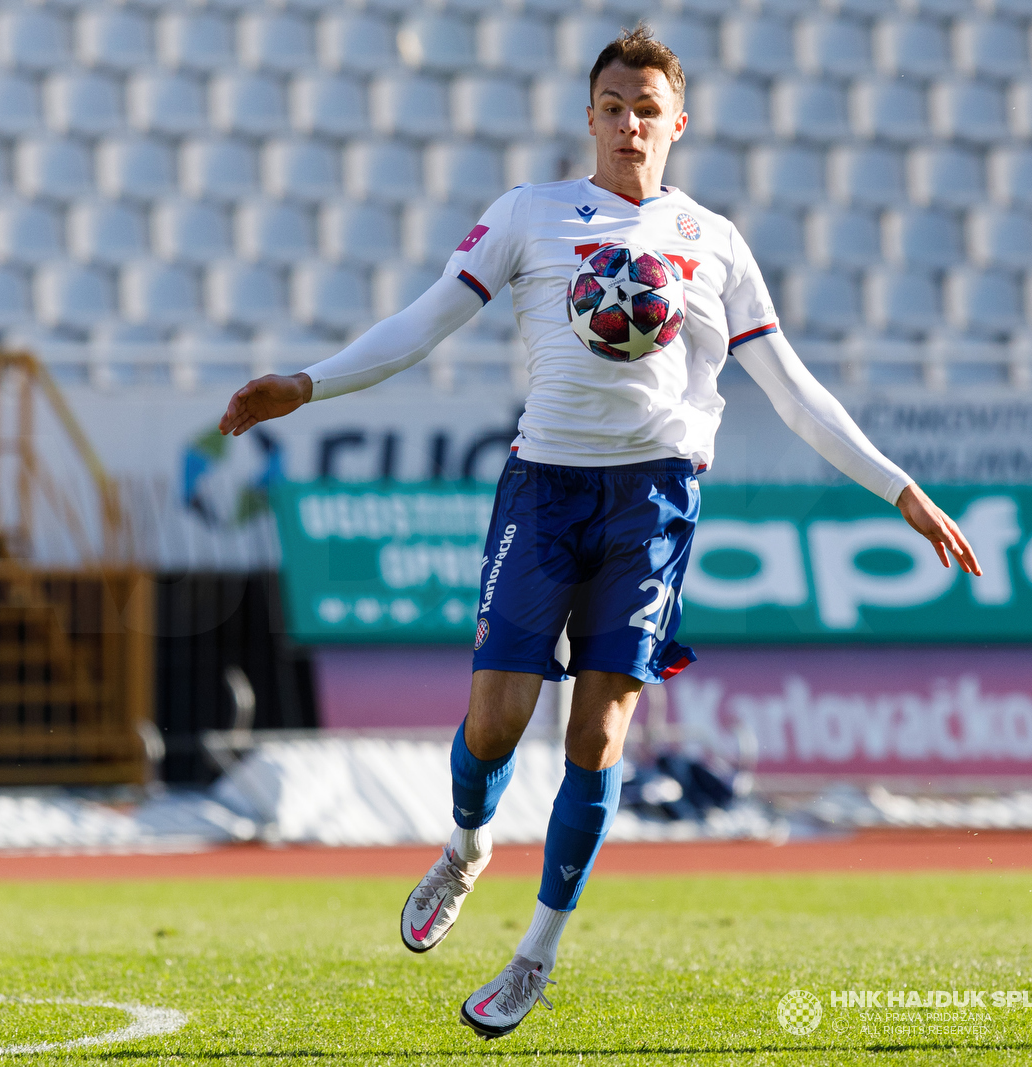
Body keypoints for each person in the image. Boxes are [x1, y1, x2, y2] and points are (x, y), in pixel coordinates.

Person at [218, 26, 979, 1038]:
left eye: (647, 108)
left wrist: (899, 488)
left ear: (678, 122)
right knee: (493, 721)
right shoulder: (529, 215)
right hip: (543, 488)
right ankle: (466, 843)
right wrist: (305, 383)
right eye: (612, 106)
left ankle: (534, 950)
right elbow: (422, 320)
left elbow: (789, 387)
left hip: (654, 502)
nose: (629, 124)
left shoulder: (712, 242)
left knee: (600, 730)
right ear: (590, 116)